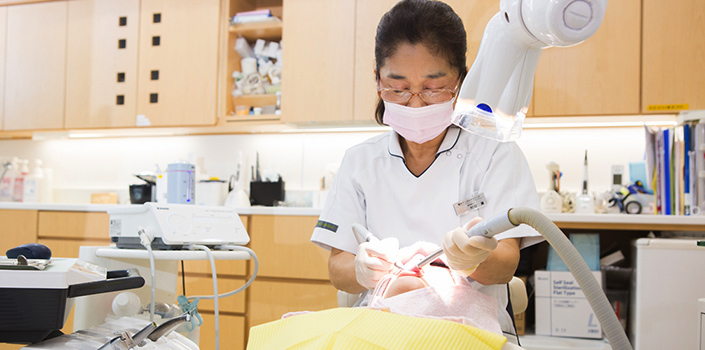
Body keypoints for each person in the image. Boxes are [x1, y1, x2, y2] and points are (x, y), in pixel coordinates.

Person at [310, 0, 542, 343]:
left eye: (433, 88)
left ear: (460, 81)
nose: (416, 102)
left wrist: (474, 259)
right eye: (399, 87)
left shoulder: (495, 152)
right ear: (377, 80)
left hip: (470, 329)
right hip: (382, 327)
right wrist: (361, 268)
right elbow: (339, 269)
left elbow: (506, 262)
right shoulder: (361, 162)